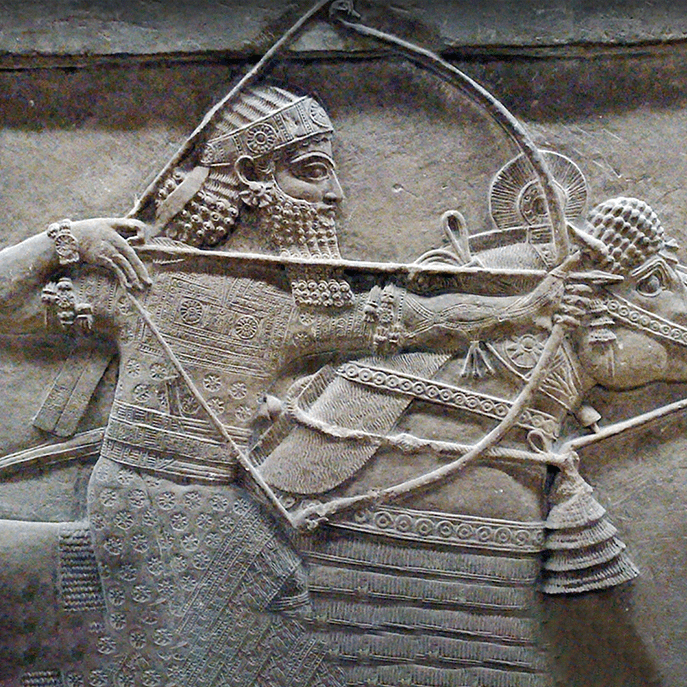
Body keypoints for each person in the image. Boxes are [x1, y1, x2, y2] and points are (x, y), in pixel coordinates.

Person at [0, 85, 571, 686]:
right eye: (313, 172)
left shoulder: (290, 311)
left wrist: (525, 308)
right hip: (147, 497)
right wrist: (70, 238)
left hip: (221, 501)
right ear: (252, 176)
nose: (336, 194)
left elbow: (416, 319)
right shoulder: (145, 283)